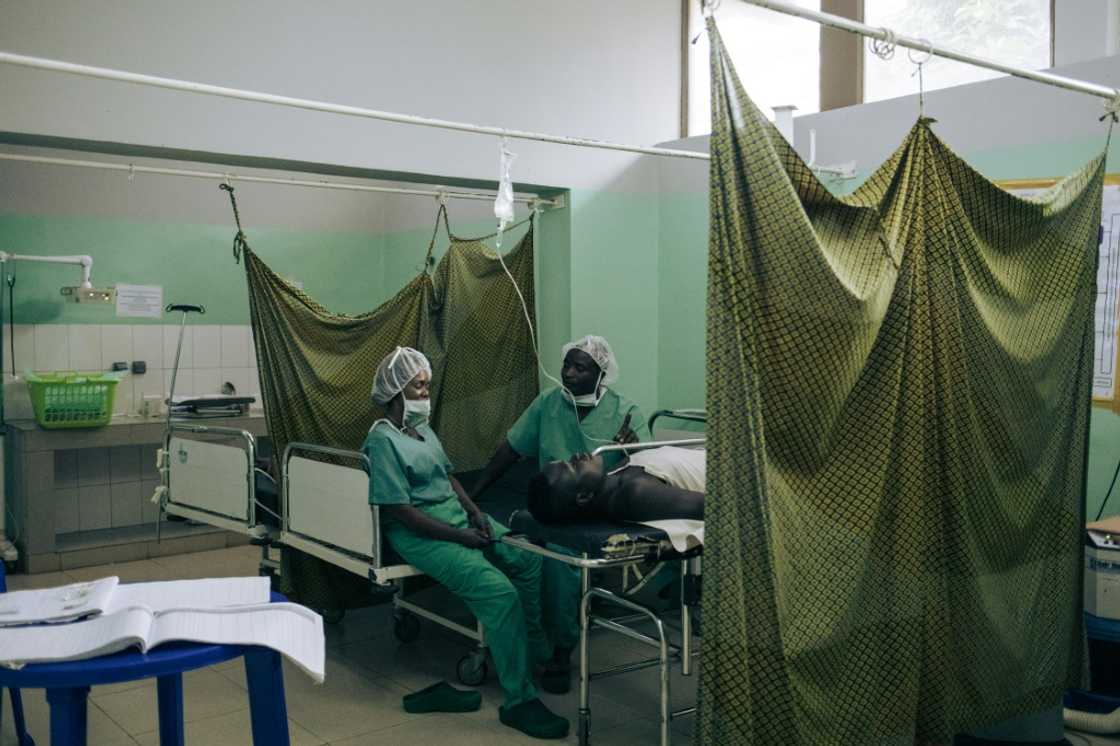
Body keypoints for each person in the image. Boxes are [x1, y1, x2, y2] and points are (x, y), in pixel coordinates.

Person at [362, 346, 568, 740]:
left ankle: (533, 651)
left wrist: (474, 512)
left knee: (528, 559)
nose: (425, 394)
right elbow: (400, 511)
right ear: (393, 393)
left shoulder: (421, 430)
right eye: (417, 387)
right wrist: (461, 537)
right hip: (421, 534)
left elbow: (448, 476)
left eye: (426, 386)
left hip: (459, 521)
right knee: (499, 593)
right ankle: (518, 700)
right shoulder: (383, 442)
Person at [469, 334, 648, 693]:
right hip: (550, 504)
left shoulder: (626, 413)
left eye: (580, 368)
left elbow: (646, 469)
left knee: (560, 558)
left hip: (600, 508)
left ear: (601, 374)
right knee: (520, 549)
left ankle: (559, 651)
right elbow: (510, 449)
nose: (568, 373)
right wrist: (475, 492)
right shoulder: (548, 404)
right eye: (567, 364)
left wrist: (633, 453)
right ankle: (529, 640)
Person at [527, 446, 705, 524]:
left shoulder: (612, 476)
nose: (575, 456)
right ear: (583, 496)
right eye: (573, 466)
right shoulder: (636, 494)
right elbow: (707, 506)